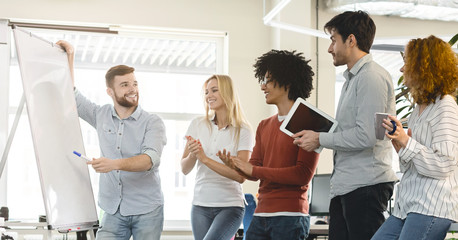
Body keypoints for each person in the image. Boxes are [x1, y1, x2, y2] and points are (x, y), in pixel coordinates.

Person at [292, 11, 398, 240]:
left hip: (366, 185)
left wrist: (320, 138)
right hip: (347, 186)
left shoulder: (371, 78)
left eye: (333, 40)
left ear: (351, 40)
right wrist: (318, 131)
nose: (330, 48)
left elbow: (367, 137)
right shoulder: (352, 80)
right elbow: (356, 131)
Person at [57, 40, 167, 240]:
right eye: (124, 85)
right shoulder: (101, 114)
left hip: (147, 210)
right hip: (112, 210)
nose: (132, 88)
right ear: (110, 91)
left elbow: (150, 160)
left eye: (134, 83)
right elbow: (72, 95)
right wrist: (70, 56)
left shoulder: (153, 122)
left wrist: (113, 164)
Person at [225, 50, 319, 240]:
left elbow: (302, 175)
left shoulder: (308, 121)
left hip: (290, 218)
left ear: (287, 82)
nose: (263, 87)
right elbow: (255, 170)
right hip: (261, 215)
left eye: (268, 81)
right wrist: (238, 167)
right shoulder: (264, 125)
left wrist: (252, 170)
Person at [371, 35, 458, 240]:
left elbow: (443, 165)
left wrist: (406, 141)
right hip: (408, 205)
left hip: (431, 206)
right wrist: (398, 141)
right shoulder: (418, 110)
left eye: (406, 63)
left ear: (423, 68)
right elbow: (412, 164)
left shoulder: (445, 107)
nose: (402, 70)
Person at [181, 75, 254, 240]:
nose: (209, 96)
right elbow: (184, 169)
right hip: (200, 206)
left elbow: (240, 176)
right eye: (206, 92)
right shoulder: (197, 124)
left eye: (214, 90)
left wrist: (205, 158)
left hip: (230, 206)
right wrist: (193, 154)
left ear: (227, 93)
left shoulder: (243, 130)